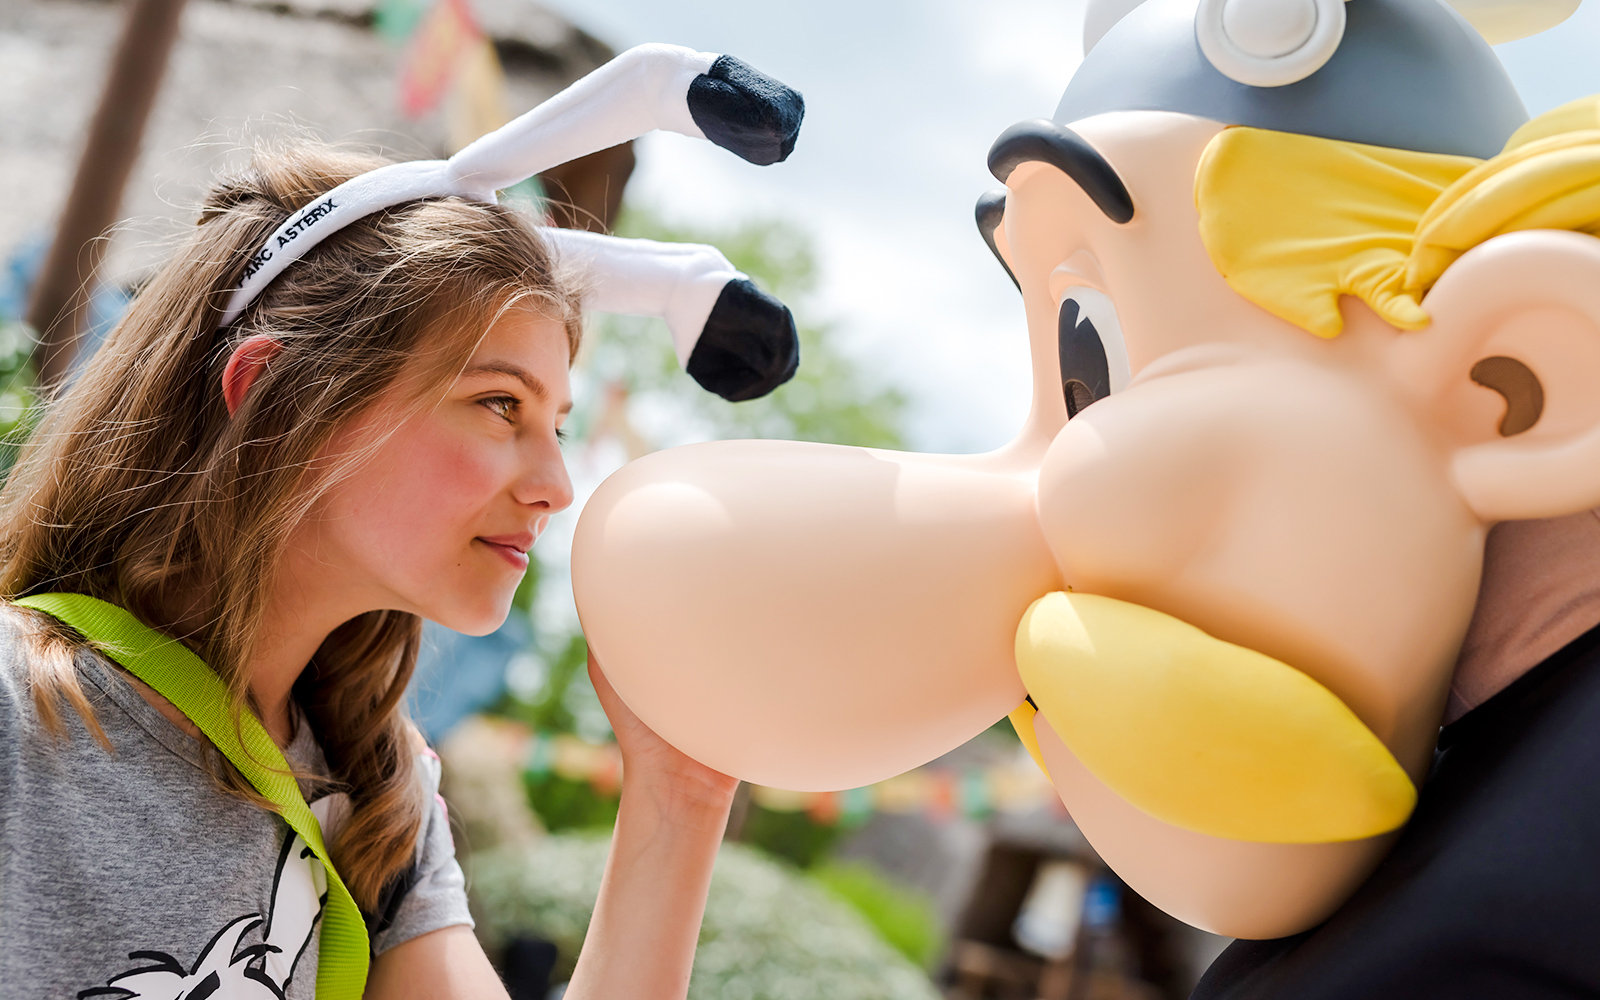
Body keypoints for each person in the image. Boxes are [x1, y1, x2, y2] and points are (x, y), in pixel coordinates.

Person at [0, 141, 740, 999]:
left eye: (559, 426)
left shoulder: (382, 802)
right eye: (501, 404)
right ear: (281, 400)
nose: (556, 488)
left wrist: (681, 794)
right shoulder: (22, 718)